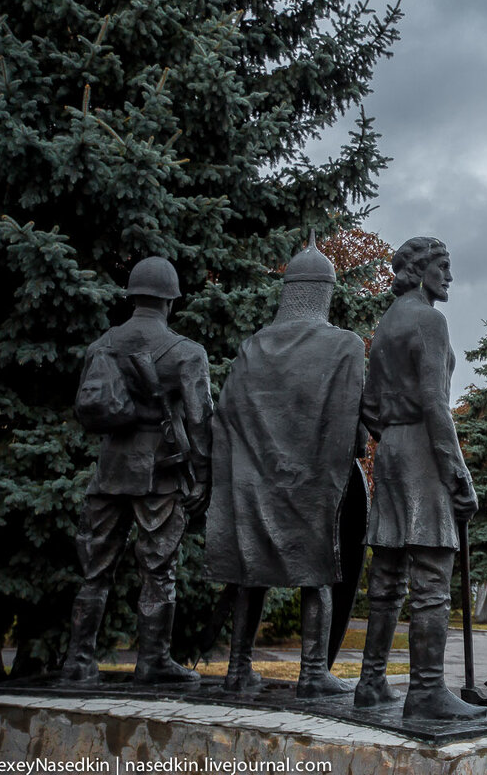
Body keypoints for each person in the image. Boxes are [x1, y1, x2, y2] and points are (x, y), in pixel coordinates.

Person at [203, 235, 367, 698]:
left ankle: (238, 667)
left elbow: (227, 416)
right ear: (324, 293)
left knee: (250, 572)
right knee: (316, 572)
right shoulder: (346, 346)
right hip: (312, 481)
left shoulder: (252, 346)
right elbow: (351, 426)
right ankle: (312, 673)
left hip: (254, 481)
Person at [60, 256, 213, 685]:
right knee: (159, 569)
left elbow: (89, 406)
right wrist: (202, 475)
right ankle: (153, 661)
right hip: (160, 473)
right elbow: (201, 420)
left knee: (93, 571)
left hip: (109, 470)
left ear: (133, 297)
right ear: (169, 302)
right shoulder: (186, 353)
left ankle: (78, 661)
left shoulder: (102, 345)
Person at [355, 236, 484, 720]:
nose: (450, 277)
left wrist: (390, 440)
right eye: (443, 267)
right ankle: (426, 691)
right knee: (430, 576)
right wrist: (457, 473)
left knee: (387, 576)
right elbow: (436, 403)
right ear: (419, 269)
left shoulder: (388, 323)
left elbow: (368, 406)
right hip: (421, 453)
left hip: (389, 452)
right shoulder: (430, 320)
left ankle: (370, 683)